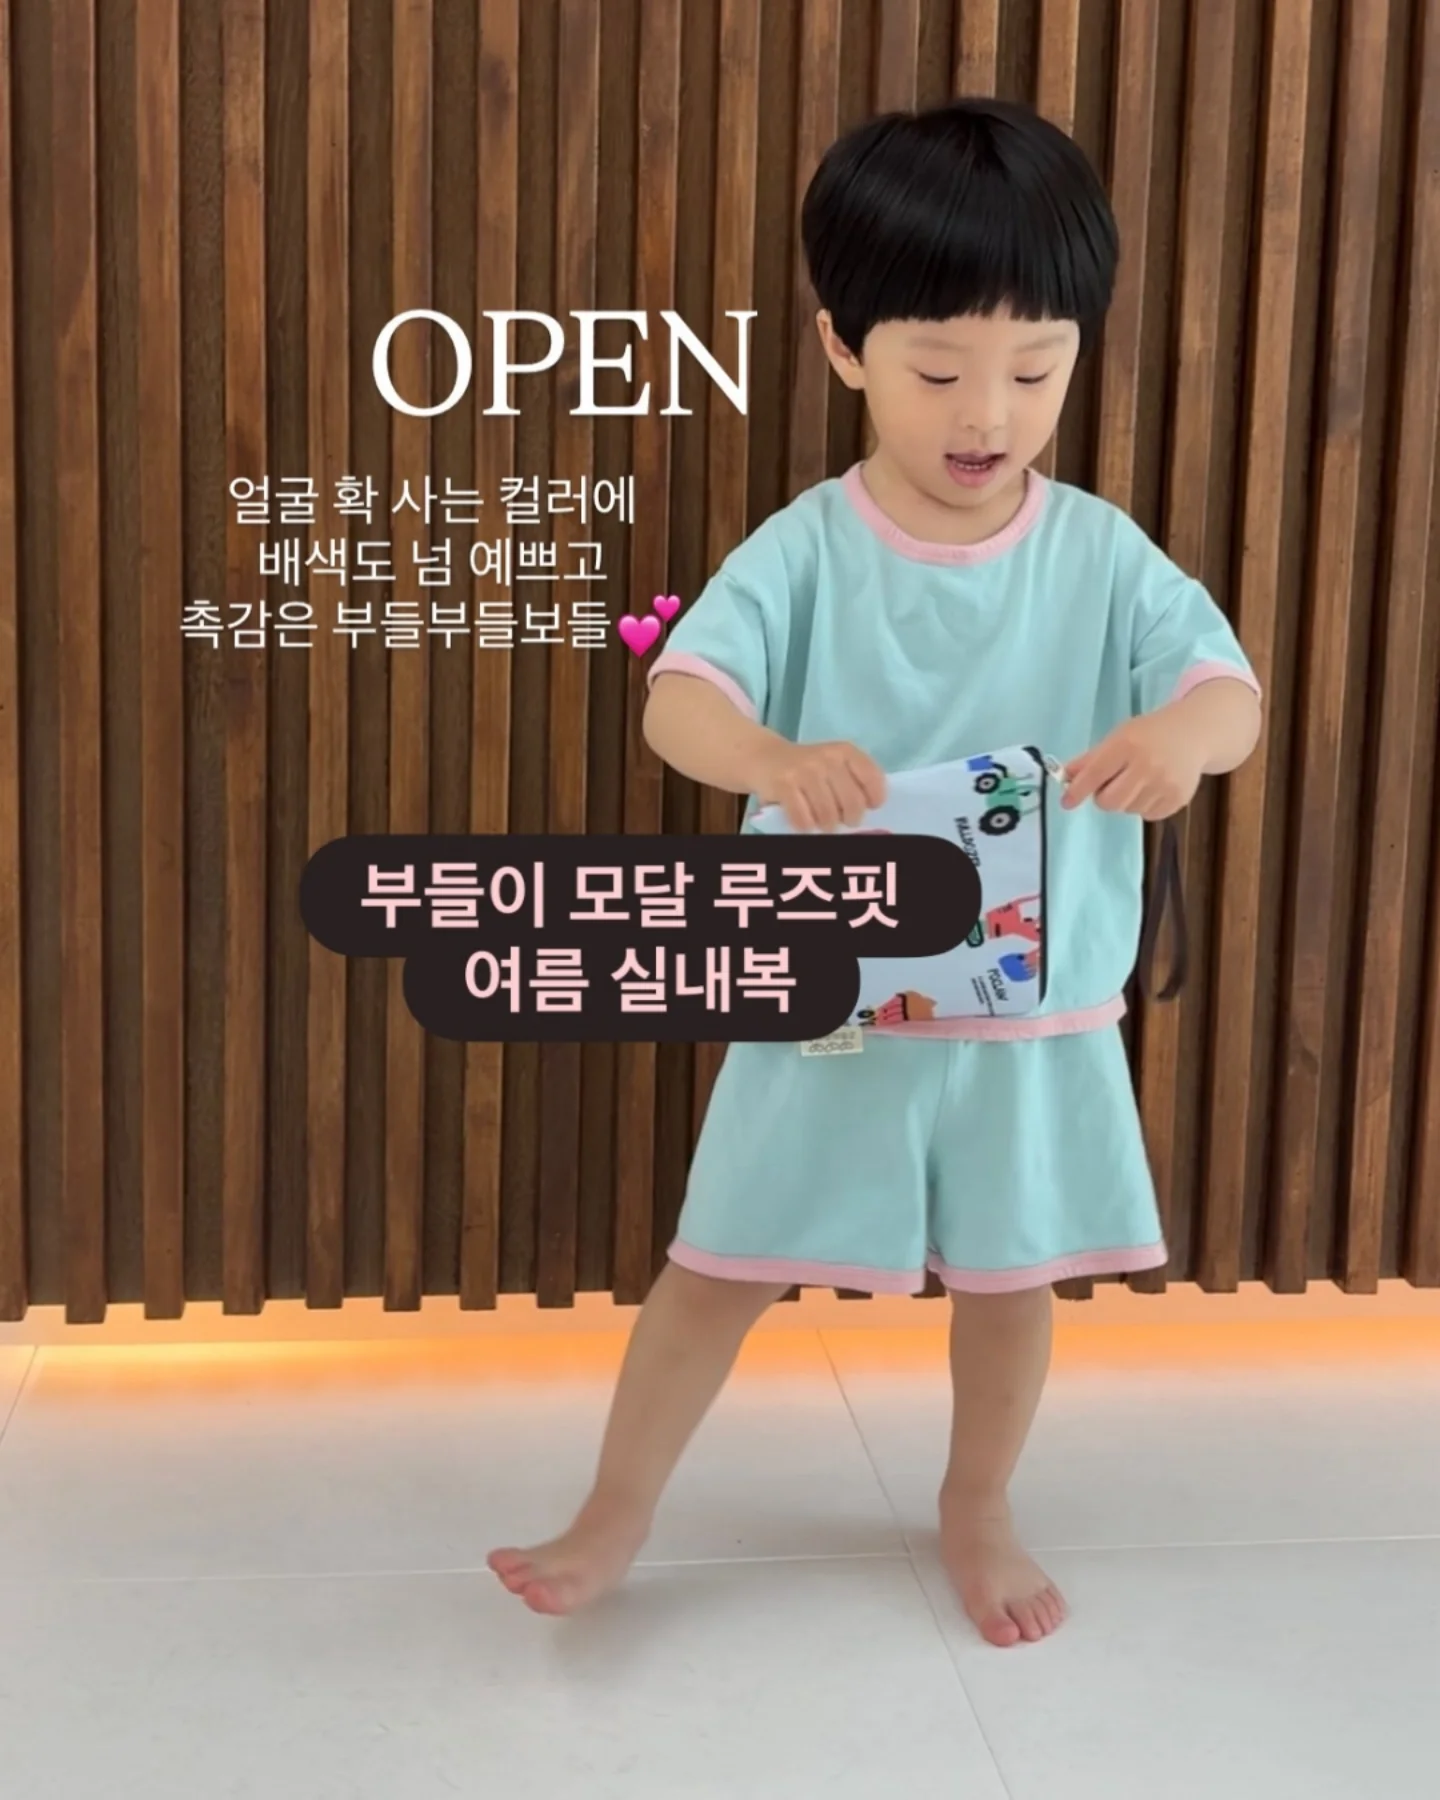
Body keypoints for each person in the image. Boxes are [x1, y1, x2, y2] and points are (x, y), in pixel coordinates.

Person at [488, 97, 1261, 1647]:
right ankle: (615, 1511)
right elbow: (681, 700)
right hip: (827, 999)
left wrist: (1181, 741)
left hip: (1028, 1017)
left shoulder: (1100, 553)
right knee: (716, 1264)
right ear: (845, 349)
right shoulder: (807, 548)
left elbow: (1225, 691)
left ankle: (979, 1505)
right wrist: (773, 760)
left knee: (1011, 1281)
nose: (989, 411)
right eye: (939, 367)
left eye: (1034, 369)